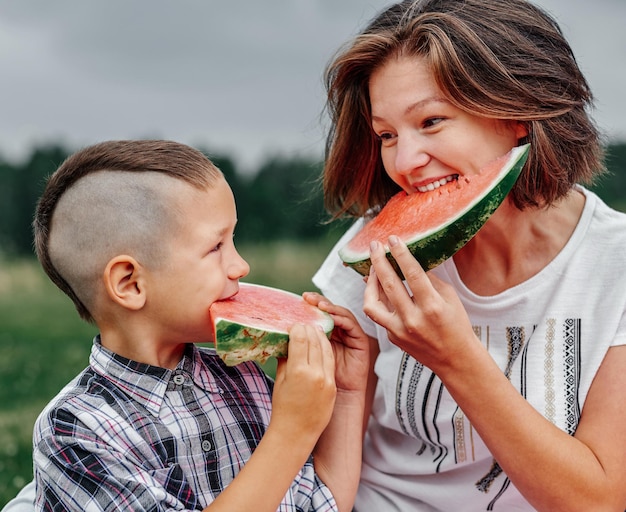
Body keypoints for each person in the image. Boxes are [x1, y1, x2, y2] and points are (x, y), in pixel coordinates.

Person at [312, 0, 626, 511]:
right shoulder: (379, 249)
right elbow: (328, 476)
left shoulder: (615, 265)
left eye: (431, 121)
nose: (406, 162)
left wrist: (454, 357)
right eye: (386, 135)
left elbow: (599, 502)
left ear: (518, 112)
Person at [7, 139, 369, 512]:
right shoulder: (75, 430)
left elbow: (324, 502)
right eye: (216, 247)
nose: (240, 265)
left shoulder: (242, 378)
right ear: (130, 283)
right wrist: (290, 432)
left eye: (234, 240)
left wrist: (346, 391)